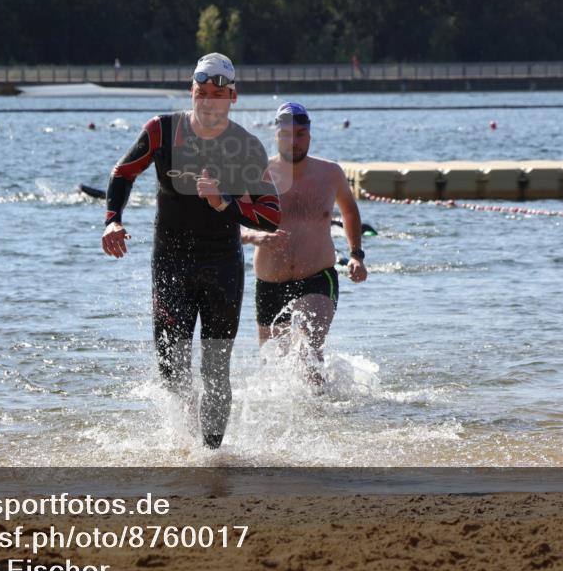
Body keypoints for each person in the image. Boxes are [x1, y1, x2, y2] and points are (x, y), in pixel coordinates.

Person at [101, 53, 281, 449]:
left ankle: (211, 457)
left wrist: (225, 204)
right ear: (191, 92)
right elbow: (122, 173)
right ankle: (186, 432)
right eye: (202, 92)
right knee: (172, 370)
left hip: (222, 267)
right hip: (170, 264)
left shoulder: (245, 146)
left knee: (216, 368)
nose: (208, 101)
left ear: (232, 98)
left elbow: (271, 215)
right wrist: (112, 220)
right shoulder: (162, 131)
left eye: (218, 94)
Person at [242, 102, 367, 384]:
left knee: (309, 351)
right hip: (269, 282)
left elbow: (349, 210)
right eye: (287, 134)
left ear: (309, 136)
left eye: (300, 134)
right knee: (272, 370)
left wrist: (356, 254)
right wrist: (254, 235)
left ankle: (324, 419)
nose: (294, 141)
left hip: (318, 277)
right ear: (276, 135)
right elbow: (229, 222)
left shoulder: (330, 173)